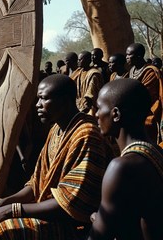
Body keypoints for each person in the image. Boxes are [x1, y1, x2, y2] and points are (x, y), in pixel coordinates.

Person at [0, 74, 108, 240]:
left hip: (72, 222)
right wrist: (6, 202)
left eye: (43, 99)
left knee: (2, 231)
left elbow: (71, 202)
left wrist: (12, 210)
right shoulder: (56, 130)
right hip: (48, 208)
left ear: (66, 100)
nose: (37, 105)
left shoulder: (87, 135)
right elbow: (37, 182)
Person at [88, 79, 163, 240]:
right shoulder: (157, 151)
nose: (95, 114)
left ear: (115, 114)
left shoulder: (121, 167)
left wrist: (99, 221)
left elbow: (98, 236)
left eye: (99, 107)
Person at [126, 43, 162, 143]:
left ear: (139, 56)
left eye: (129, 55)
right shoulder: (132, 70)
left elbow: (144, 95)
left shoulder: (150, 72)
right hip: (134, 113)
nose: (127, 57)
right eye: (126, 55)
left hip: (149, 113)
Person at [70, 51, 104, 115]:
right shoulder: (79, 72)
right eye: (78, 59)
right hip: (80, 105)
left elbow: (91, 92)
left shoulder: (94, 74)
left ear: (88, 60)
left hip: (91, 107)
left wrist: (86, 104)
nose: (78, 61)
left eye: (80, 59)